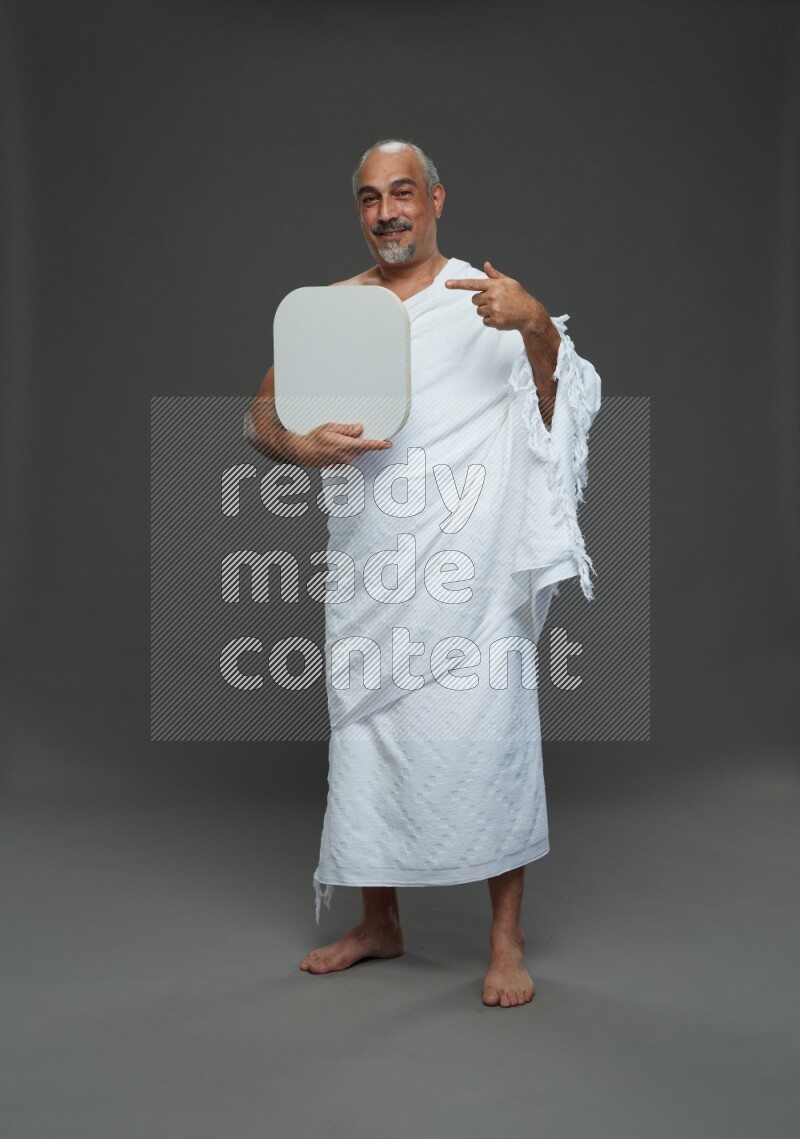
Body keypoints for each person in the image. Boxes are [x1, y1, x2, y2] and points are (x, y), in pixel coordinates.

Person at [244, 138, 601, 1008]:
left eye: (402, 194)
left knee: (493, 736)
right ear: (359, 212)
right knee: (369, 742)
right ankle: (379, 922)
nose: (387, 213)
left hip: (473, 572)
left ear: (437, 199)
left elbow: (560, 411)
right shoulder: (333, 310)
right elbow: (258, 415)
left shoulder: (484, 302)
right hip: (373, 567)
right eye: (370, 199)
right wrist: (299, 442)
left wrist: (537, 324)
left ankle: (505, 939)